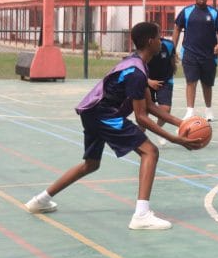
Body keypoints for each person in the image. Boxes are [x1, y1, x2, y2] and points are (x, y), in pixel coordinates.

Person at [24, 22, 205, 229]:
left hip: (92, 112)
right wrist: (175, 139)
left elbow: (150, 106)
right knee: (150, 152)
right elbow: (142, 117)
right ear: (150, 41)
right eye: (158, 38)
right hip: (103, 114)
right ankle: (141, 215)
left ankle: (40, 200)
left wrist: (182, 123)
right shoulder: (136, 72)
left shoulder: (136, 63)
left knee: (91, 164)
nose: (161, 42)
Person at [172, 0, 218, 122]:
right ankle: (190, 111)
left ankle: (208, 110)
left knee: (207, 84)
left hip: (209, 55)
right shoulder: (187, 11)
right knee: (191, 82)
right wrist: (172, 49)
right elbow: (177, 28)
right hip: (190, 53)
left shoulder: (213, 13)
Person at [145, 35, 178, 147]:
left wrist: (173, 67)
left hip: (165, 80)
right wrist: (149, 82)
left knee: (165, 109)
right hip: (146, 80)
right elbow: (137, 68)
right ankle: (140, 139)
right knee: (144, 112)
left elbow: (172, 58)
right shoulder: (144, 47)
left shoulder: (169, 45)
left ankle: (158, 130)